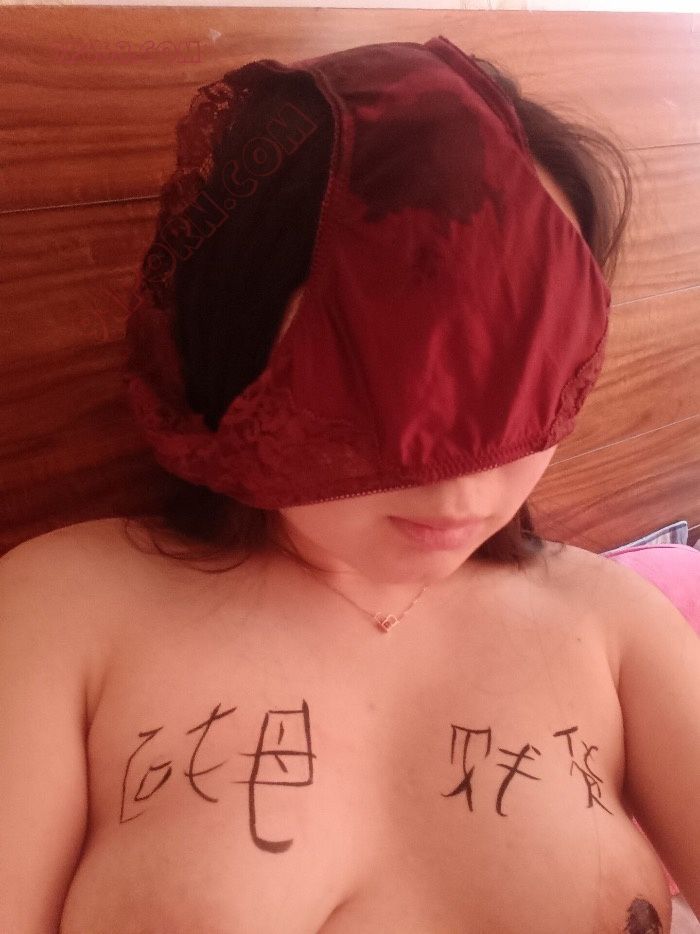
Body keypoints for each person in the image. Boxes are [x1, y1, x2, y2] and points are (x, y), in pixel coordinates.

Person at [2, 35, 699, 934]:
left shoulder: (619, 626)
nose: (464, 492)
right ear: (238, 339)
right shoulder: (61, 615)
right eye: (384, 377)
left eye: (519, 376)